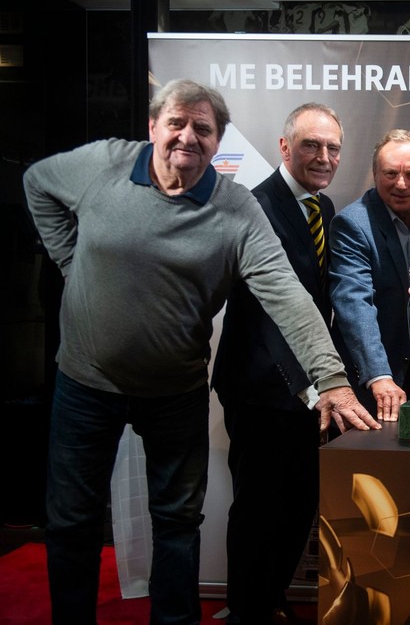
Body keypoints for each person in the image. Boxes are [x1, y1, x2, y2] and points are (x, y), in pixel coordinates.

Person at [23, 80, 380, 624]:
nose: (187, 137)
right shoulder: (103, 165)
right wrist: (73, 267)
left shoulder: (236, 209)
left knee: (177, 524)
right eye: (176, 124)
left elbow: (287, 293)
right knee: (71, 521)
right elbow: (36, 183)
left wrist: (330, 378)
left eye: (203, 129)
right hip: (85, 385)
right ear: (153, 128)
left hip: (174, 391)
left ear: (218, 142)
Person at [210, 102, 357, 624]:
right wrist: (315, 387)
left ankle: (270, 599)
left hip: (307, 394)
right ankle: (246, 608)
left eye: (332, 147)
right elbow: (272, 313)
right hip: (263, 388)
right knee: (257, 507)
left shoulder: (324, 209)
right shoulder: (255, 206)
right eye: (311, 145)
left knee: (297, 505)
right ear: (284, 147)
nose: (323, 156)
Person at [328, 129, 410, 419]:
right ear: (375, 175)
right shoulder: (352, 224)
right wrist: (378, 374)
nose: (401, 184)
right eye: (390, 174)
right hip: (378, 379)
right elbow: (354, 304)